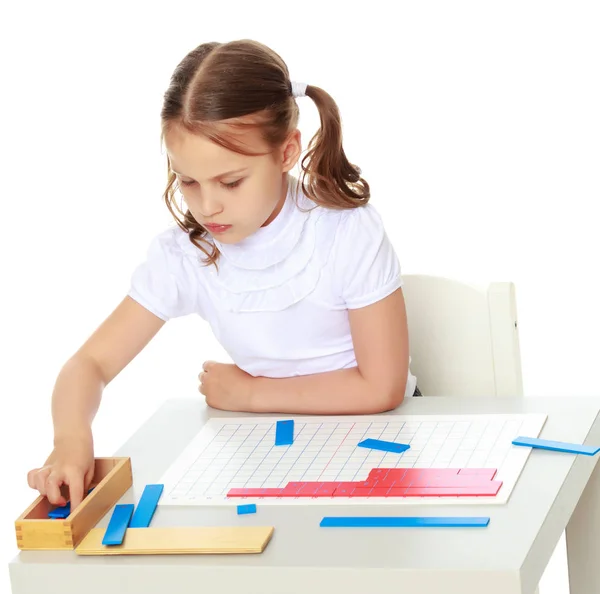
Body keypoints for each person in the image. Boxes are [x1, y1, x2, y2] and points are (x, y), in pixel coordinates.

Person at [27, 39, 419, 511]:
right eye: (188, 181)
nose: (207, 206)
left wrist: (252, 392)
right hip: (274, 454)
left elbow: (382, 388)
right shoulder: (187, 253)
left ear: (287, 150)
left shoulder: (345, 230)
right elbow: (88, 365)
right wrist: (70, 439)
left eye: (231, 182)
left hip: (385, 442)